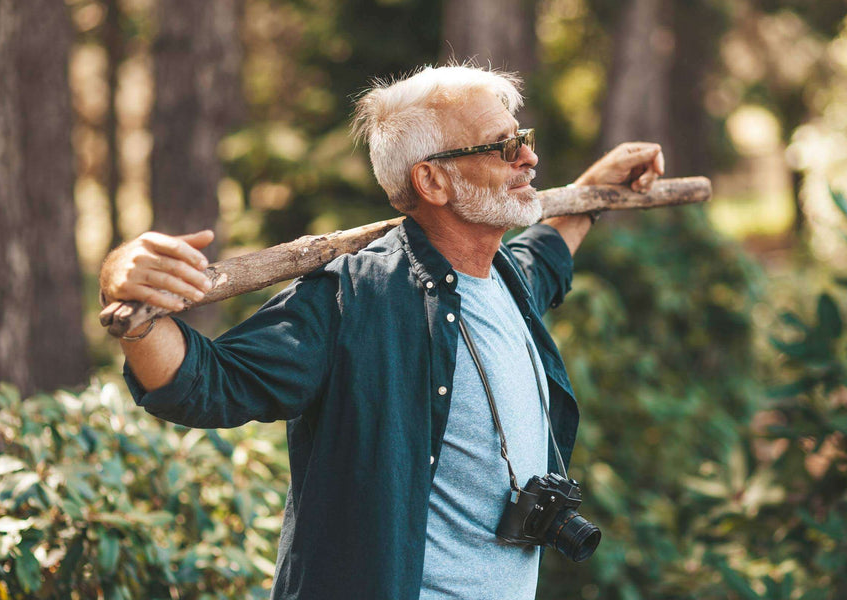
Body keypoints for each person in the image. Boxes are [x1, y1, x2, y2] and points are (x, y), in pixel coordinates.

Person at [99, 64, 665, 600]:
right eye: (503, 146)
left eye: (524, 137)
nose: (530, 157)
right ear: (433, 180)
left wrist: (591, 194)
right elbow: (204, 383)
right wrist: (132, 304)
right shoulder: (352, 299)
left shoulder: (505, 278)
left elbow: (545, 257)